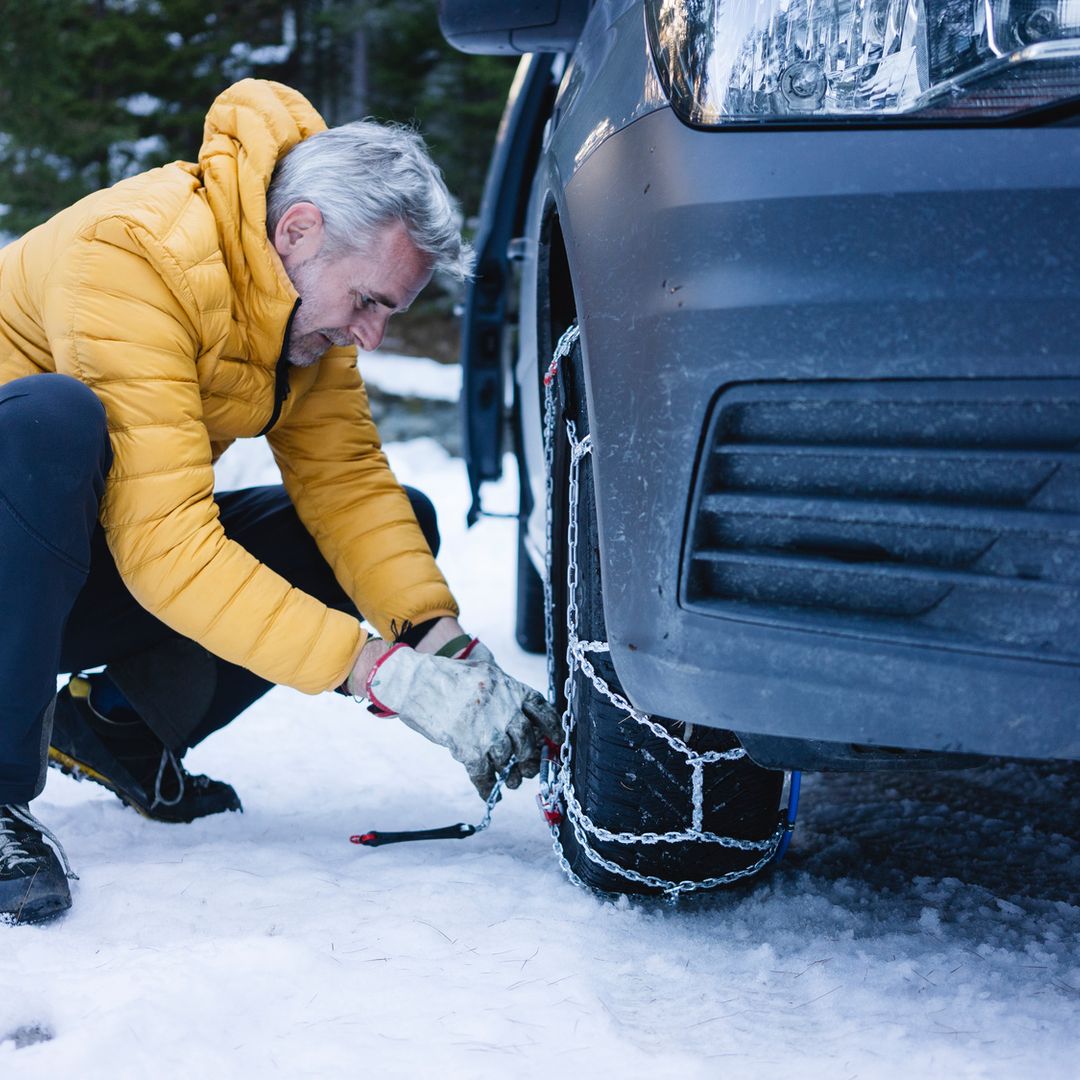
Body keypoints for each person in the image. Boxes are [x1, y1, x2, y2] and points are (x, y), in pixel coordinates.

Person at [0, 80, 560, 925]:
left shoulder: (297, 302)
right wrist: (377, 673)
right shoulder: (134, 252)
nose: (370, 334)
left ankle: (118, 725)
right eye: (369, 302)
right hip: (16, 550)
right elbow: (167, 551)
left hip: (61, 571)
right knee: (55, 423)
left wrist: (443, 650)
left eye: (389, 313)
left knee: (397, 518)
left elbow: (348, 486)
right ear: (298, 230)